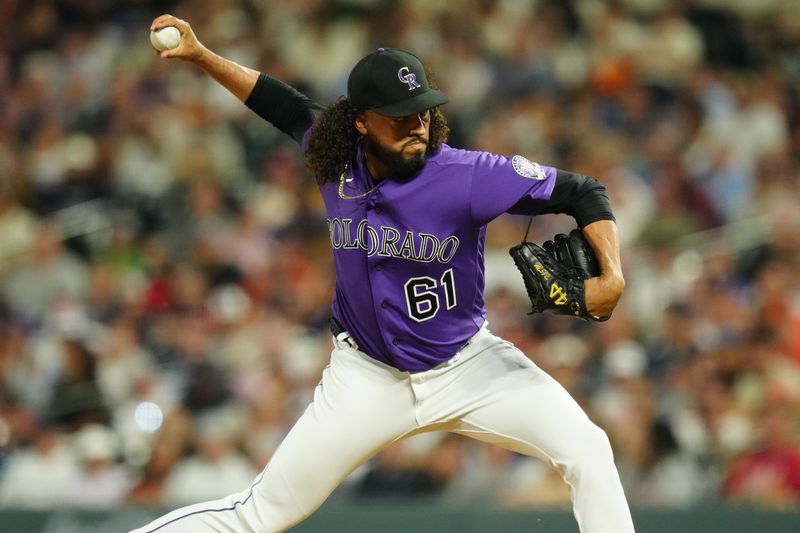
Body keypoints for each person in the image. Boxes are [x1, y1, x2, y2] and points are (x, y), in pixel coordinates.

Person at [133, 14, 634, 533]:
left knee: (588, 449)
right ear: (362, 121)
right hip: (367, 378)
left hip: (467, 365)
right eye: (399, 117)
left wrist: (612, 273)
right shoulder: (335, 158)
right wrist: (201, 55)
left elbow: (583, 191)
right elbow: (280, 104)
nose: (416, 125)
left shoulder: (465, 175)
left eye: (421, 113)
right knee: (260, 515)